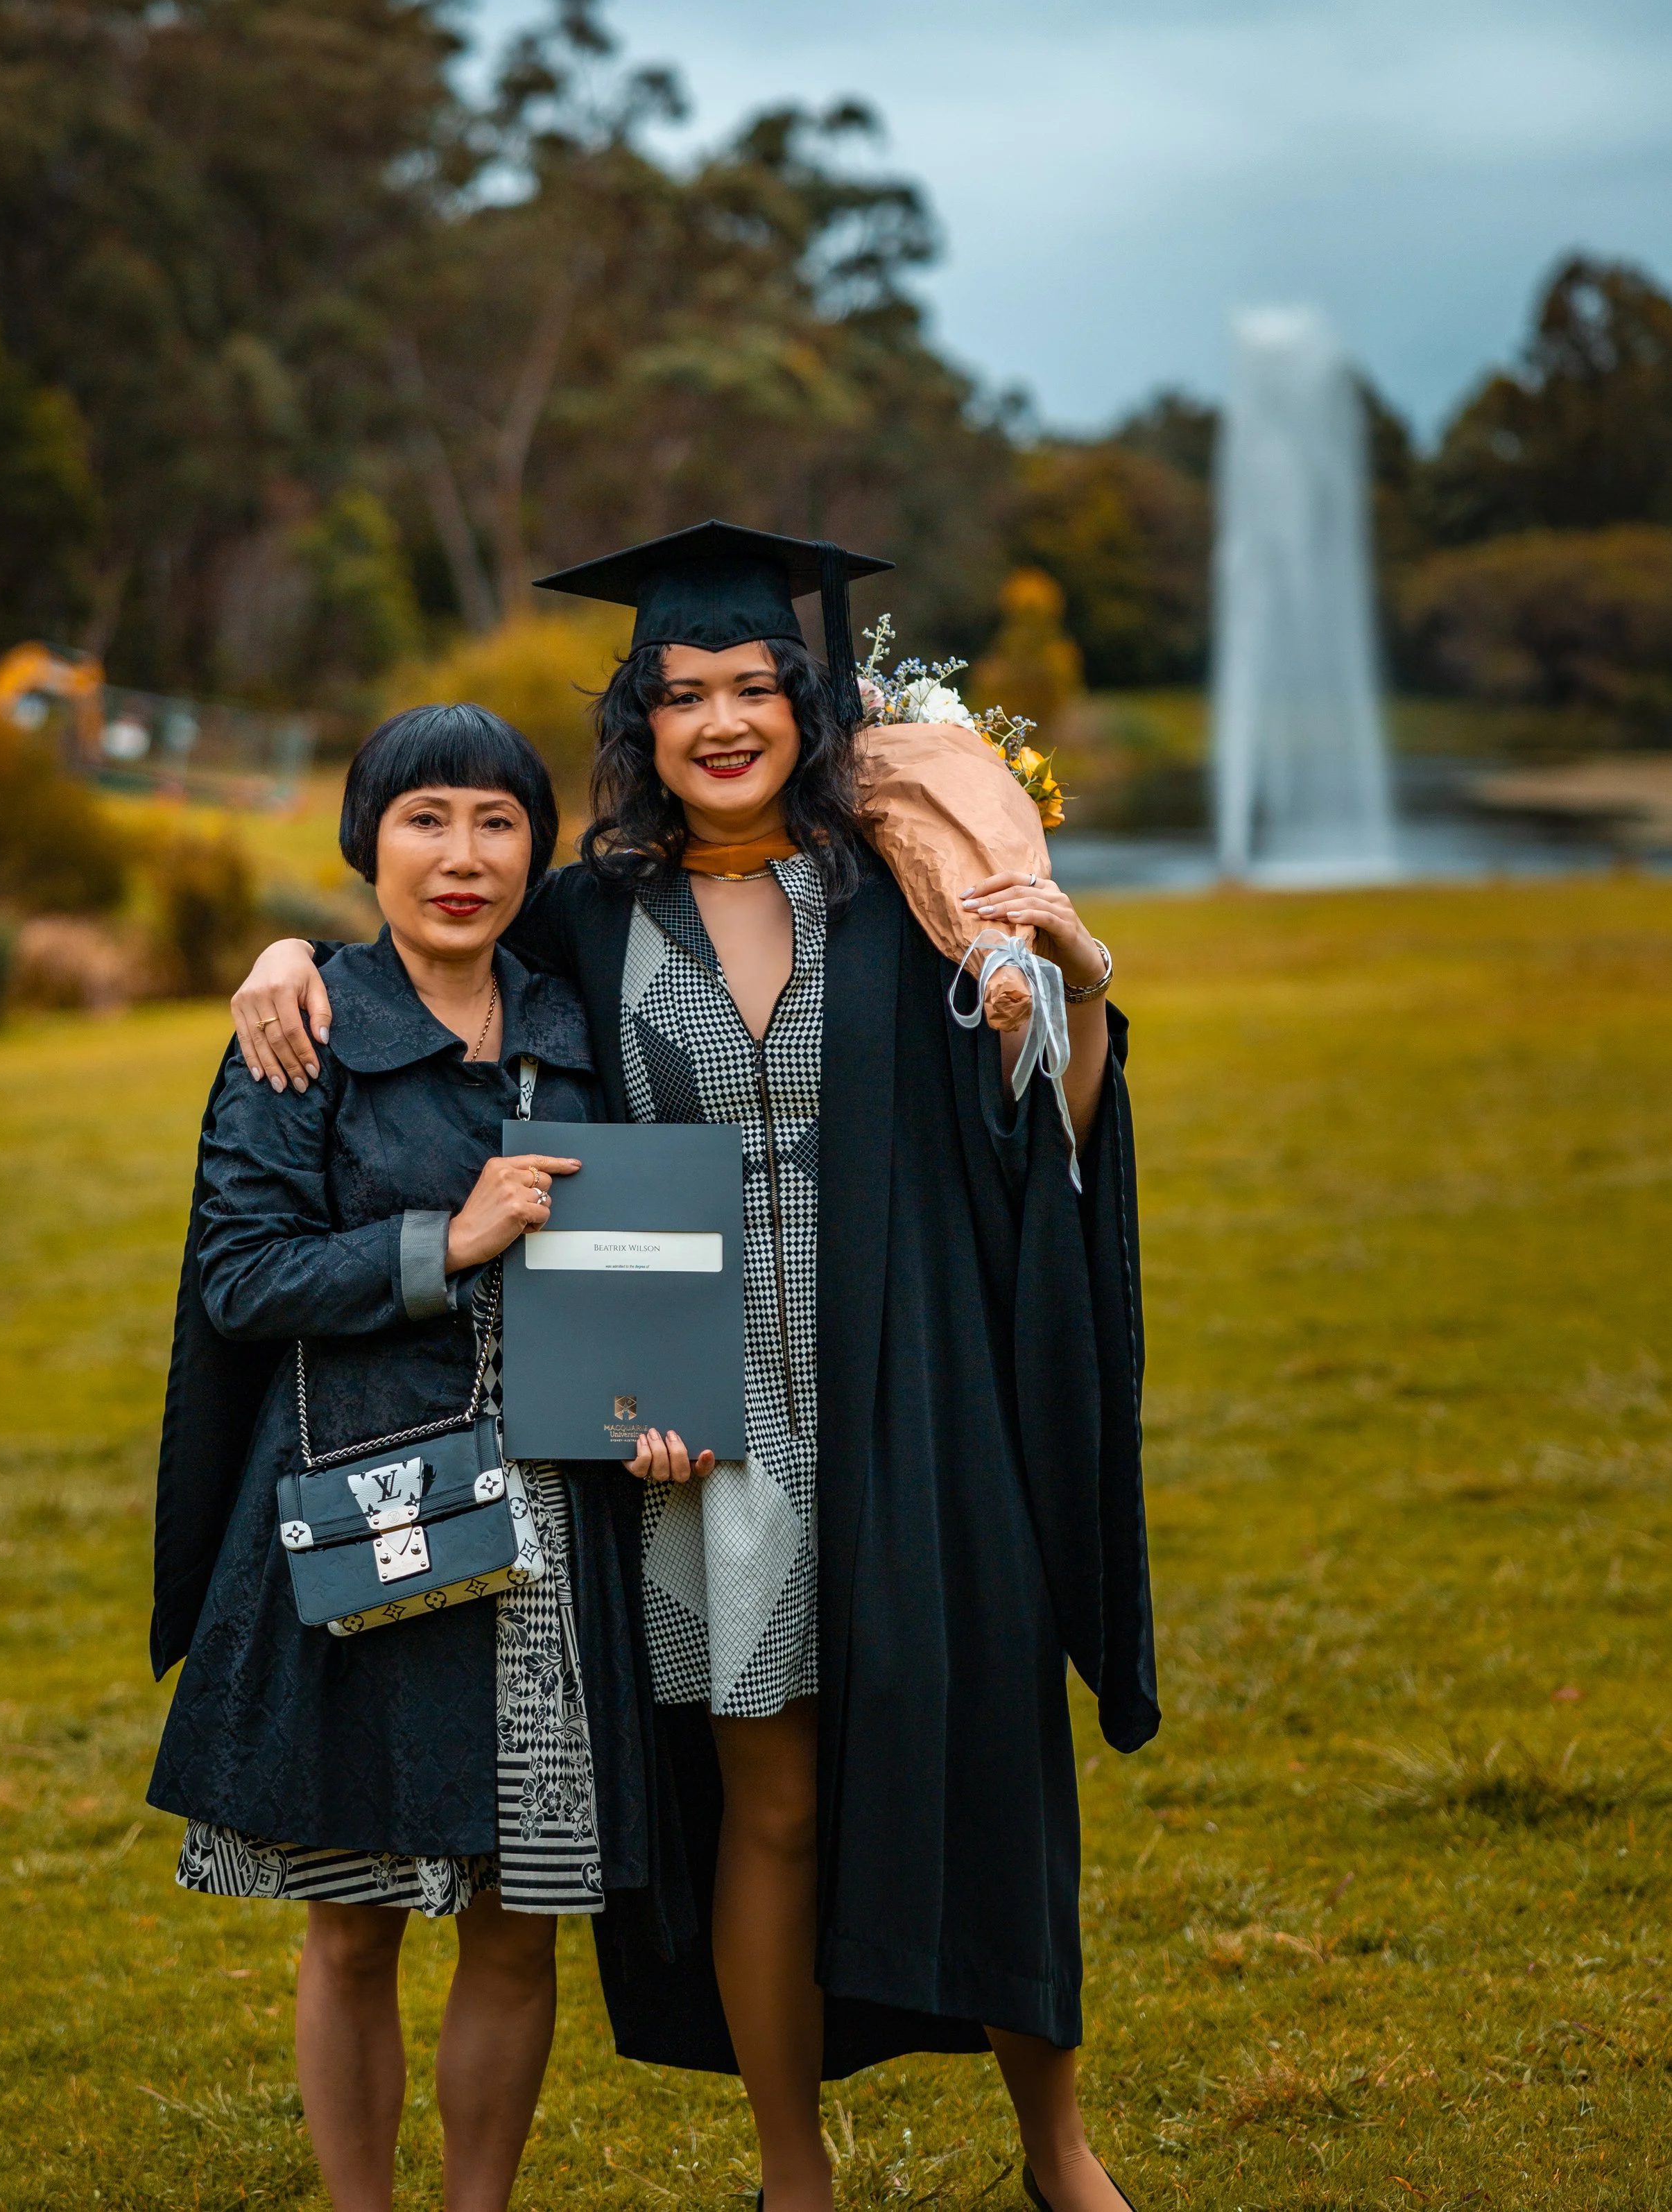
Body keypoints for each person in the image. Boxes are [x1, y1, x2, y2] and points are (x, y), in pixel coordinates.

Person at [233, 525, 1158, 2212]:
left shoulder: (900, 889)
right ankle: (788, 2169)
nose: (721, 722)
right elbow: (431, 978)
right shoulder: (590, 916)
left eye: (752, 688)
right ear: (638, 726)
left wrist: (1082, 997)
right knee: (774, 1798)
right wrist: (290, 957)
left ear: (809, 706)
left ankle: (1056, 2147)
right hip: (694, 1427)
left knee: (977, 1747)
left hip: (909, 1382)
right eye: (682, 697)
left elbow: (1039, 1133)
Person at [150, 702, 656, 2212]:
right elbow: (240, 1279)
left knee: (516, 1918)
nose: (462, 855)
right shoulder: (296, 1033)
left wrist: (658, 1406)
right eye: (424, 817)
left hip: (551, 1530)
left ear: (535, 851)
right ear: (365, 841)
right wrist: (441, 1245)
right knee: (354, 1918)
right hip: (357, 1509)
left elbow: (641, 1256)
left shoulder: (575, 1031)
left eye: (498, 821)